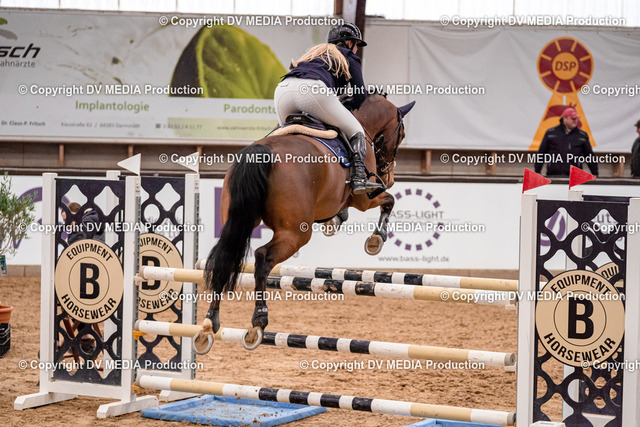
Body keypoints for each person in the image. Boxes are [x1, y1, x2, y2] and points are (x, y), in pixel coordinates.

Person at [274, 22, 377, 195]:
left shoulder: (313, 53)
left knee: (282, 133)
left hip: (283, 90)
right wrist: (349, 106)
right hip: (314, 91)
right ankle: (358, 178)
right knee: (356, 130)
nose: (356, 49)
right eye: (356, 45)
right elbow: (360, 95)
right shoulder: (348, 56)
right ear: (349, 43)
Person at [535, 107, 599, 177]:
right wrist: (537, 171)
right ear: (565, 118)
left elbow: (589, 156)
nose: (575, 121)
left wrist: (595, 173)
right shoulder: (551, 133)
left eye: (576, 118)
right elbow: (541, 153)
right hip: (554, 175)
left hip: (575, 176)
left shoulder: (582, 135)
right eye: (573, 119)